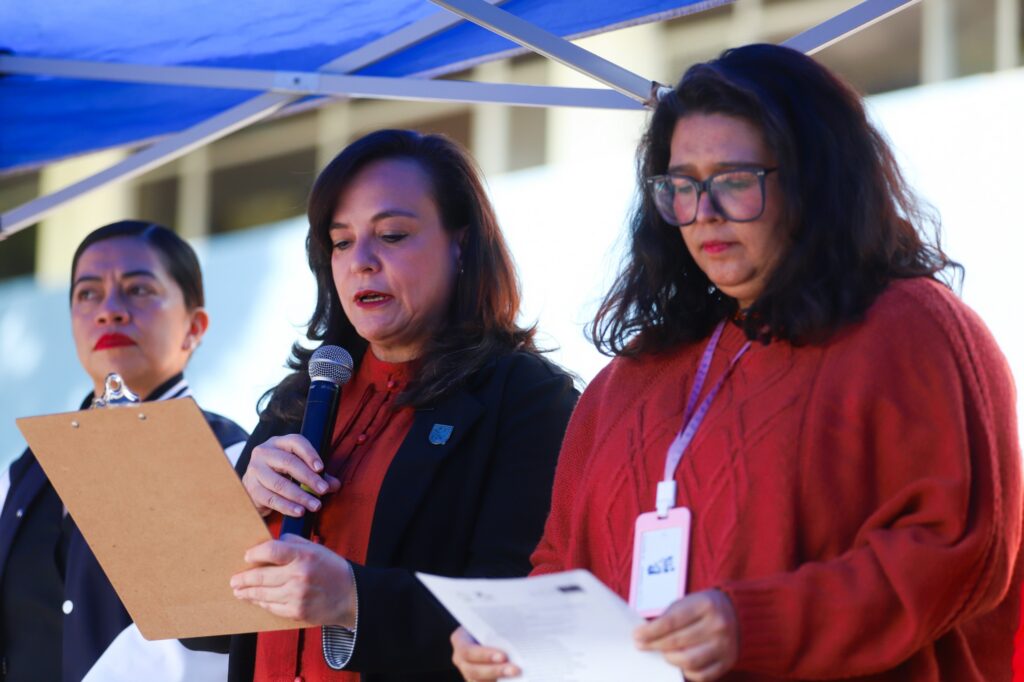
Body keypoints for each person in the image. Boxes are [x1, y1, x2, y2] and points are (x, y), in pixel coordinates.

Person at [451, 43, 1022, 682]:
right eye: (684, 187)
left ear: (815, 178)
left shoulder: (911, 327)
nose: (704, 214)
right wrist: (513, 640)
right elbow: (560, 563)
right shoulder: (626, 381)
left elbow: (959, 552)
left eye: (735, 181)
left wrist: (753, 624)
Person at [221, 129, 578, 681]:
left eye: (391, 234)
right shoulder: (304, 395)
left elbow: (520, 605)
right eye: (340, 241)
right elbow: (205, 623)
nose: (360, 260)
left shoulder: (528, 398)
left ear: (461, 244)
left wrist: (352, 598)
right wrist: (242, 508)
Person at [0, 220, 249, 682]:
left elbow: (238, 634)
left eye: (138, 289)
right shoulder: (31, 466)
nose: (110, 310)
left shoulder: (233, 457)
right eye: (88, 293)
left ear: (194, 327)